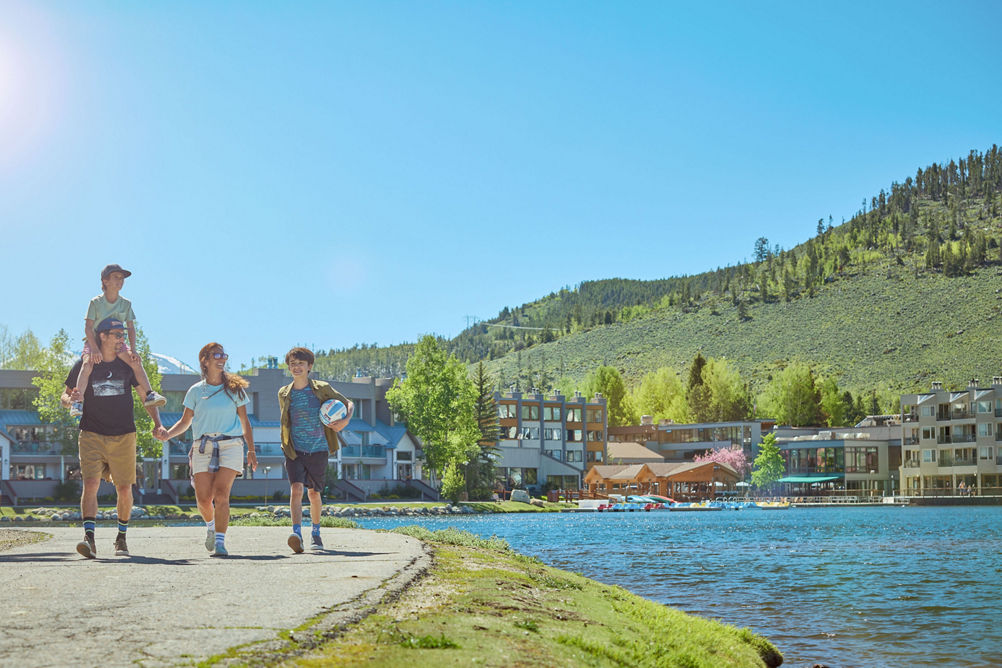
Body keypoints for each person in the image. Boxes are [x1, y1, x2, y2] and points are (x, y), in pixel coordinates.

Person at [61, 317, 167, 558]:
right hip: (91, 433)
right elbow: (64, 396)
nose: (122, 338)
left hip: (123, 435)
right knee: (90, 484)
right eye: (117, 334)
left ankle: (121, 537)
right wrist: (71, 401)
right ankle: (89, 539)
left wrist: (158, 424)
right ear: (102, 336)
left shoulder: (127, 365)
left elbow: (144, 395)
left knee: (124, 488)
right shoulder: (84, 364)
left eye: (123, 334)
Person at [158, 342, 256, 557]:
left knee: (221, 494)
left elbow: (245, 422)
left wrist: (251, 450)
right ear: (205, 360)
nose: (222, 358)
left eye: (224, 354)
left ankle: (220, 542)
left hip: (231, 445)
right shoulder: (195, 391)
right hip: (202, 446)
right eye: (216, 355)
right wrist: (167, 434)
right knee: (203, 499)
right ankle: (211, 526)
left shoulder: (234, 390)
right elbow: (185, 422)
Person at [278, 347, 353, 553]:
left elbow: (349, 403)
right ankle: (296, 534)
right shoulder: (284, 393)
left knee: (313, 493)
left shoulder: (321, 388)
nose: (296, 367)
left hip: (319, 448)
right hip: (294, 449)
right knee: (296, 489)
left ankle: (316, 533)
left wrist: (343, 422)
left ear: (309, 366)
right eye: (293, 364)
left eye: (300, 364)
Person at [71, 264, 166, 417]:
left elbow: (131, 328)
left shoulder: (126, 304)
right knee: (87, 363)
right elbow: (88, 327)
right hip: (95, 340)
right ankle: (77, 402)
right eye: (116, 277)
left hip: (116, 341)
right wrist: (94, 349)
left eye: (122, 278)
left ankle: (149, 394)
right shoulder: (96, 303)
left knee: (135, 362)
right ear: (105, 281)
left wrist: (133, 349)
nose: (120, 281)